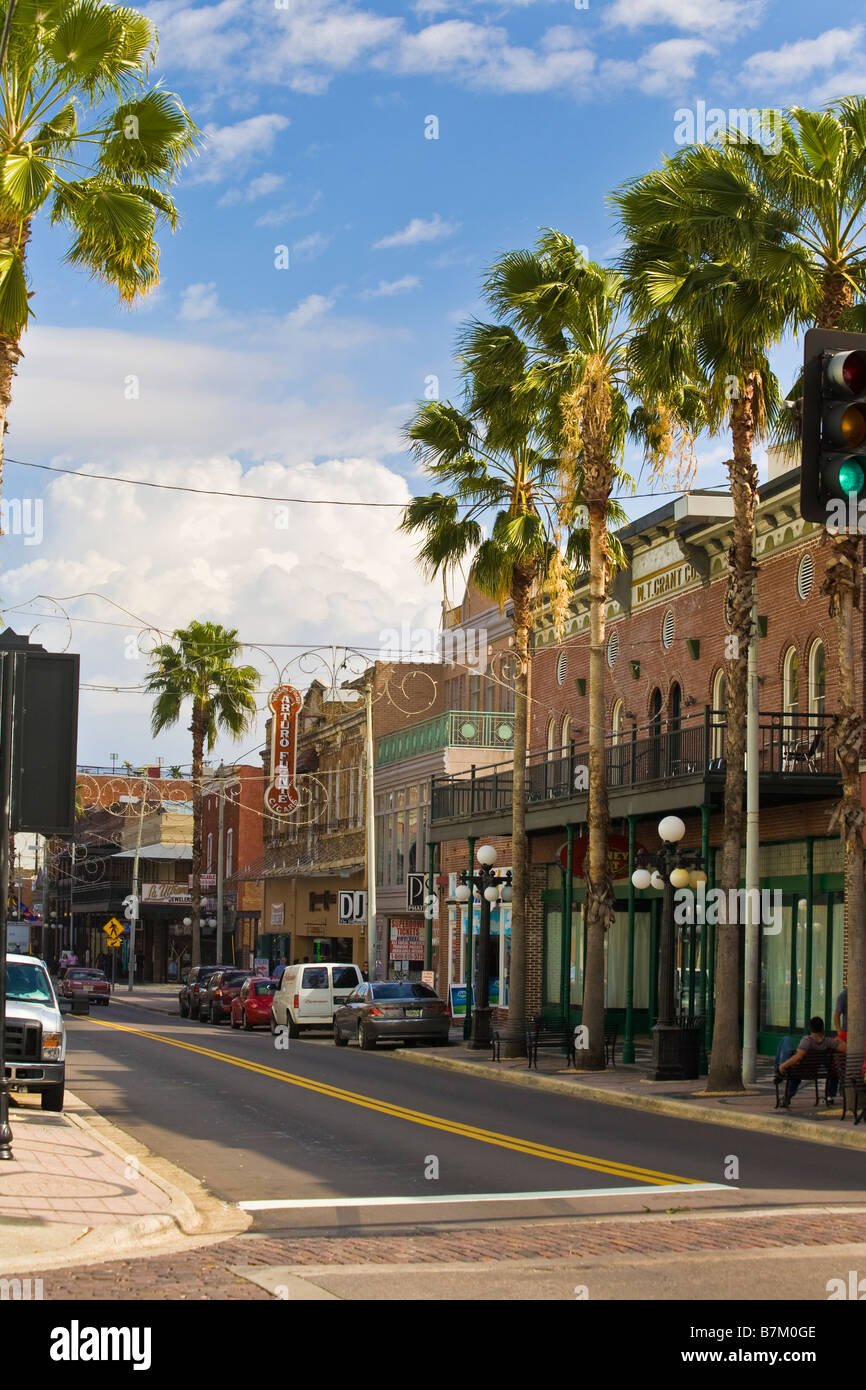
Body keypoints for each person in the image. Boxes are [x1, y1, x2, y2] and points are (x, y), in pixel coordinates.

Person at [777, 1016, 846, 1106]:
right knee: (794, 1068)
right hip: (814, 1071)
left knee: (786, 1040)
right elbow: (846, 1048)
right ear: (823, 1029)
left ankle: (779, 1075)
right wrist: (839, 1040)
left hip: (798, 1070)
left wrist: (783, 1065)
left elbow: (798, 1056)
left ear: (809, 1028)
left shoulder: (807, 1040)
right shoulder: (828, 1042)